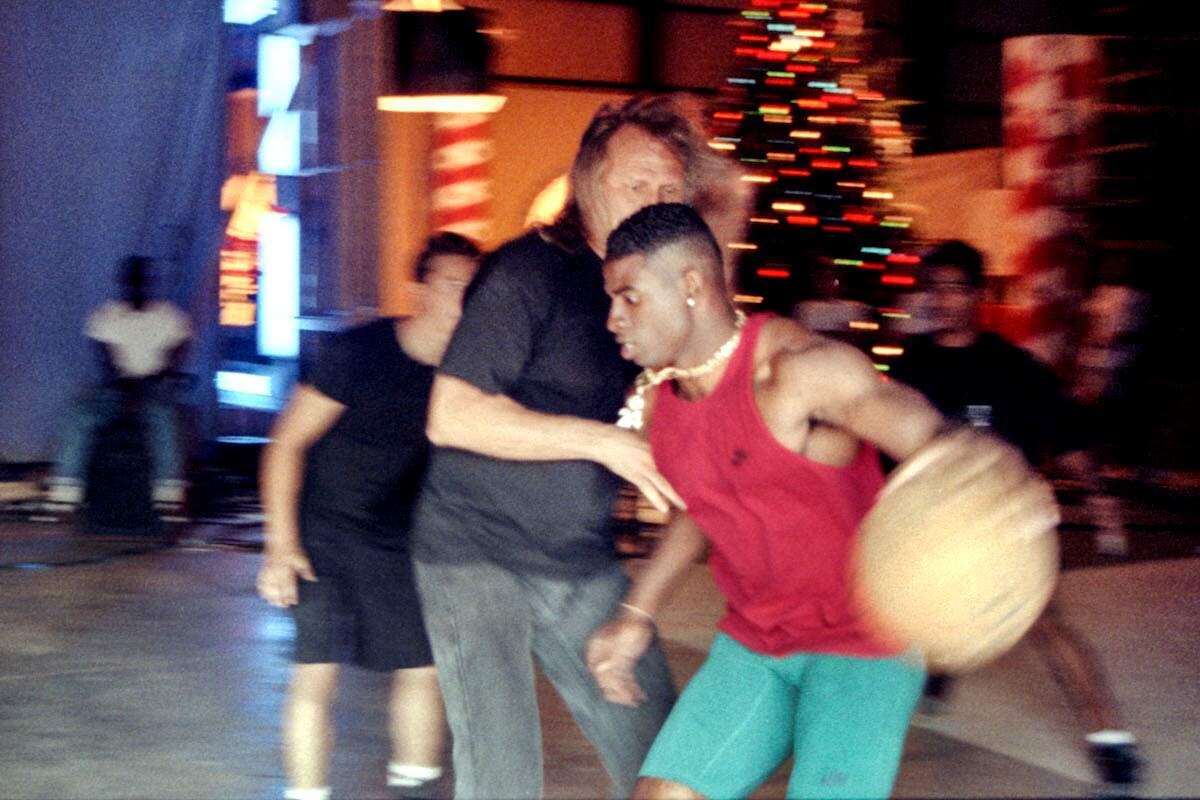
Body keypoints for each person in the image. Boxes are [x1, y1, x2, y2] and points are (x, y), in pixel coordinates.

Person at [587, 203, 1056, 799]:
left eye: (628, 298)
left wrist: (1000, 481)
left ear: (690, 286)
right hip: (756, 642)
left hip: (863, 647)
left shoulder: (799, 372)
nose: (612, 319)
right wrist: (635, 616)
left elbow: (926, 436)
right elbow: (696, 507)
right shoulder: (661, 400)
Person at [409, 95, 745, 799]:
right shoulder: (528, 273)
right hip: (472, 552)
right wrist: (604, 443)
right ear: (587, 184)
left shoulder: (654, 293)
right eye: (635, 185)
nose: (654, 204)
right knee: (501, 770)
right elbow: (452, 415)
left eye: (667, 192)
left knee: (664, 754)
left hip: (576, 556)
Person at [889, 239, 1141, 788]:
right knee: (918, 609)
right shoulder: (911, 368)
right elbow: (881, 449)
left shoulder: (1012, 367)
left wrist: (1098, 498)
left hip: (1009, 526)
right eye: (937, 288)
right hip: (937, 524)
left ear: (977, 295)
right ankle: (941, 668)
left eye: (958, 288)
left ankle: (1110, 738)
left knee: (1048, 623)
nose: (946, 299)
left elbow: (1065, 430)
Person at [256, 233, 480, 800]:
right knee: (315, 674)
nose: (469, 299)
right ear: (418, 288)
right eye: (457, 286)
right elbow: (285, 444)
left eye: (478, 290)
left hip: (401, 541)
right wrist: (280, 545)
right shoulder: (360, 352)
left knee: (423, 669)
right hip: (323, 533)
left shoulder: (472, 374)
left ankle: (412, 789)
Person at [46, 254, 191, 513]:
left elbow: (177, 353)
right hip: (116, 385)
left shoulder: (169, 316)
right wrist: (126, 390)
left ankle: (168, 490)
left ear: (151, 282)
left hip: (153, 384)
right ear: (123, 282)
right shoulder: (105, 316)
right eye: (132, 281)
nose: (137, 287)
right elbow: (105, 360)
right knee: (81, 413)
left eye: (142, 281)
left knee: (163, 415)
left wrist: (157, 377)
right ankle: (67, 487)